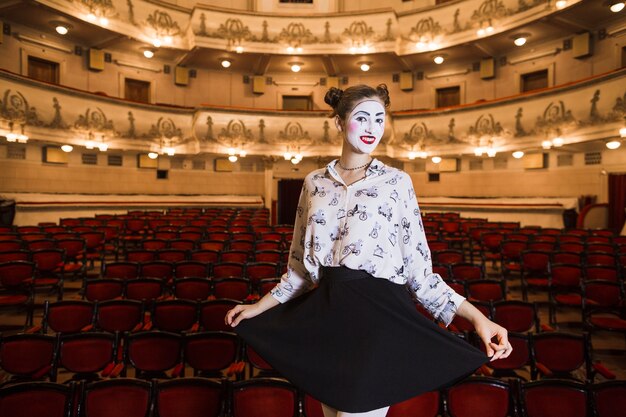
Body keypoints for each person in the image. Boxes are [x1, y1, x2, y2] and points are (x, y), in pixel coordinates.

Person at [226, 84, 512, 417]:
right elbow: (299, 271)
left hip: (378, 321)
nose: (371, 128)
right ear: (338, 122)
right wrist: (257, 308)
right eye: (361, 118)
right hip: (329, 319)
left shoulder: (397, 183)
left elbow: (421, 275)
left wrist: (479, 320)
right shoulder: (313, 183)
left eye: (379, 119)